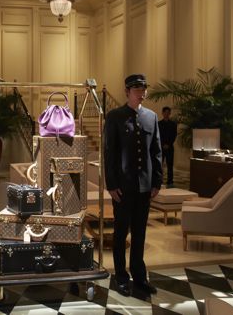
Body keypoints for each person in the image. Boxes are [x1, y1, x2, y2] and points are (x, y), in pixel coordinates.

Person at [104, 74, 162, 297]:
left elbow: (156, 153)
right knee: (120, 234)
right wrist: (111, 185)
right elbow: (110, 154)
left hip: (145, 187)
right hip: (123, 188)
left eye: (143, 88)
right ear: (127, 92)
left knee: (140, 234)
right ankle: (121, 277)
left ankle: (140, 277)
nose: (141, 92)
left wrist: (156, 181)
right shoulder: (115, 117)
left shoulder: (152, 117)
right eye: (137, 89)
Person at [158, 106, 177, 188]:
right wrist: (162, 144)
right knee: (159, 165)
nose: (166, 114)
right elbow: (158, 135)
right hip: (160, 147)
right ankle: (159, 180)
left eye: (168, 113)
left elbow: (174, 135)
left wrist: (168, 144)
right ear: (162, 113)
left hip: (170, 147)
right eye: (165, 112)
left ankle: (170, 181)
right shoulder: (158, 124)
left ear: (170, 114)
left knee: (170, 165)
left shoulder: (173, 124)